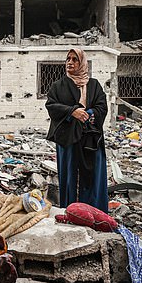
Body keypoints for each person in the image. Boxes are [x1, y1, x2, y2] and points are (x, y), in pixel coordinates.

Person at [45, 48, 109, 212]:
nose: (70, 63)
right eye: (68, 59)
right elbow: (51, 106)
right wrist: (72, 112)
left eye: (75, 60)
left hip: (92, 140)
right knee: (70, 176)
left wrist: (89, 113)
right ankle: (72, 211)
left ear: (82, 64)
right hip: (69, 140)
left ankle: (94, 212)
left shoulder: (94, 85)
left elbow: (102, 106)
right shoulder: (58, 86)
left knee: (93, 177)